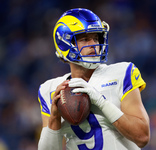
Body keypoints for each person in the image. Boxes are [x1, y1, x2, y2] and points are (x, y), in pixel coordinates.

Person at [37, 8, 150, 150]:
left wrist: (101, 103)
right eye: (85, 39)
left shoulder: (122, 73)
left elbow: (142, 137)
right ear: (64, 43)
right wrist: (54, 118)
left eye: (96, 38)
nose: (94, 45)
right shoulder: (50, 90)